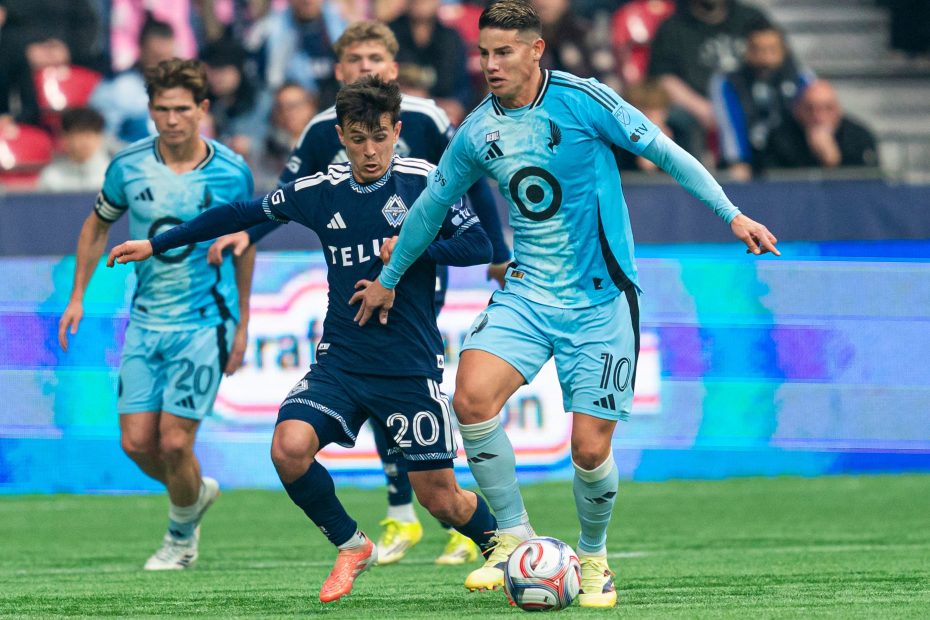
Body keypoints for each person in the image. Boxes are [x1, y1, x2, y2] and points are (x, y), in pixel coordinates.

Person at [350, 1, 779, 608]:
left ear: (535, 50)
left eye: (503, 52)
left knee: (590, 450)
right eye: (483, 53)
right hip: (527, 292)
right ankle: (513, 540)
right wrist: (390, 277)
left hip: (601, 299)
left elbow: (666, 152)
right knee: (471, 397)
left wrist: (731, 214)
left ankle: (595, 557)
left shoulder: (584, 101)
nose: (490, 64)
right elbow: (429, 209)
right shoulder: (476, 130)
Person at [107, 75, 501, 604]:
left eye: (379, 137)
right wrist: (158, 244)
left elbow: (479, 245)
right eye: (357, 139)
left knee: (441, 499)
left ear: (396, 131)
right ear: (341, 136)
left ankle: (502, 548)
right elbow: (240, 213)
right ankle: (352, 544)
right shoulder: (322, 191)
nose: (370, 151)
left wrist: (410, 250)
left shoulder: (425, 181)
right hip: (341, 362)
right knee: (289, 448)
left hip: (408, 366)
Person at [210, 20, 511, 567]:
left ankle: (473, 527)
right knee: (308, 431)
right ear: (339, 72)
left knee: (431, 472)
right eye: (354, 59)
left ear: (392, 72)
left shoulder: (427, 132)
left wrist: (486, 253)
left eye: (374, 58)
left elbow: (473, 187)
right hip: (346, 342)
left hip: (415, 313)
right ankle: (386, 521)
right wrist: (233, 236)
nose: (364, 67)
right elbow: (274, 202)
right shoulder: (319, 139)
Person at [58, 58, 256, 571]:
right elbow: (97, 225)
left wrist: (242, 325)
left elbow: (246, 243)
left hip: (205, 322)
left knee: (173, 441)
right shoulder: (127, 166)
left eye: (182, 109)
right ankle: (194, 492)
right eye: (163, 109)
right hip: (146, 320)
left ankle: (180, 538)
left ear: (202, 109)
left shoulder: (231, 171)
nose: (172, 119)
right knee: (136, 443)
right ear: (150, 110)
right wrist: (78, 295)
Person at [647, 0, 772, 155]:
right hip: (697, 113)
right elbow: (663, 77)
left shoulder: (752, 19)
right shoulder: (672, 27)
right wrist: (703, 109)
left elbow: (777, 60)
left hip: (751, 104)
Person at [711, 21, 814, 180]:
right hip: (750, 162)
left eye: (772, 50)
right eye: (758, 50)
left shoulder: (802, 79)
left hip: (794, 161)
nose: (765, 58)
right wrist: (737, 159)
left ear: (784, 50)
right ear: (747, 51)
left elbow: (816, 116)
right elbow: (730, 124)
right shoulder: (729, 82)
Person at [760, 79, 879, 171]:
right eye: (810, 109)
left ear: (838, 110)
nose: (819, 117)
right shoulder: (780, 138)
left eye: (827, 108)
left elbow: (869, 182)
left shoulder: (859, 137)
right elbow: (773, 181)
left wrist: (833, 162)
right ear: (797, 110)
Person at [37, 107, 110, 192]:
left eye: (91, 134)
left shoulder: (114, 175)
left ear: (100, 137)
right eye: (79, 133)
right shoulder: (51, 177)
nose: (85, 141)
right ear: (65, 137)